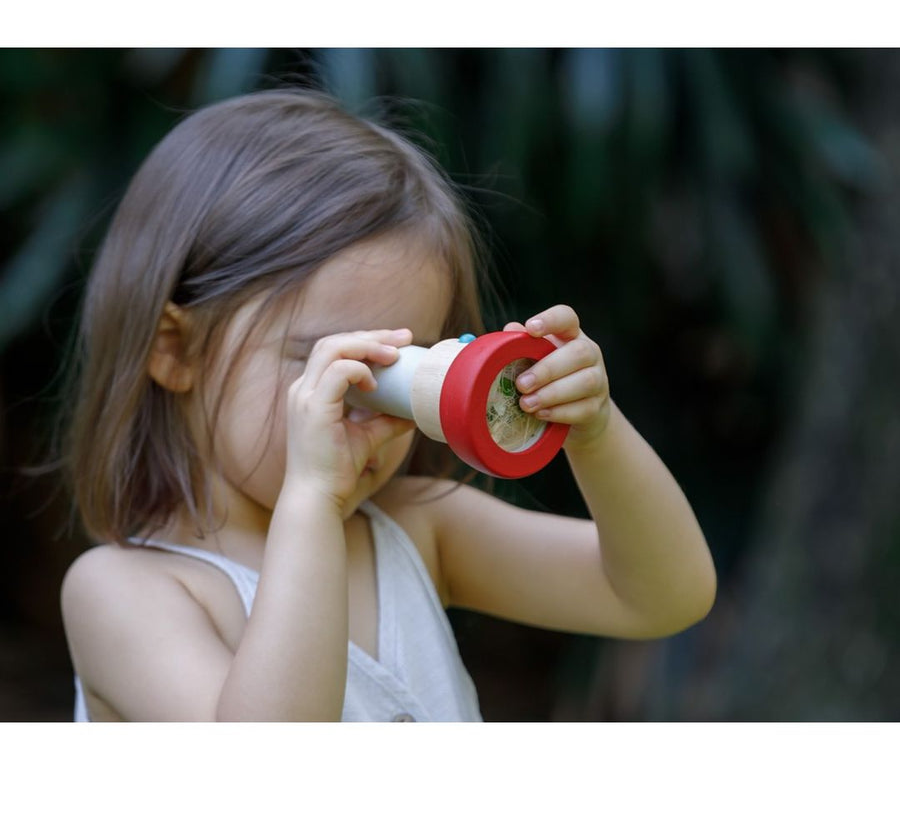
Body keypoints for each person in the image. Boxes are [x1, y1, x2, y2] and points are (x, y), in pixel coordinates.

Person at [59, 88, 716, 722]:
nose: (364, 400)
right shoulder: (126, 594)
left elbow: (663, 597)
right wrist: (310, 501)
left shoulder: (418, 530)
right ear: (177, 351)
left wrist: (596, 434)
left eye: (404, 365)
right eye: (325, 360)